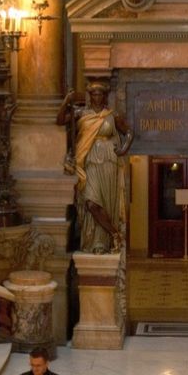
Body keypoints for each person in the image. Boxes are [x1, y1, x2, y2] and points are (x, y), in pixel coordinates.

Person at [59, 79, 130, 254]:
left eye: (99, 94)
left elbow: (129, 132)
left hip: (108, 162)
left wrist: (123, 149)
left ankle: (102, 243)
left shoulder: (112, 115)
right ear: (90, 96)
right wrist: (65, 102)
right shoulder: (82, 113)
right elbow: (60, 120)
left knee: (106, 202)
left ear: (105, 96)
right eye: (93, 94)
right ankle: (114, 234)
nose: (96, 97)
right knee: (91, 203)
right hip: (89, 160)